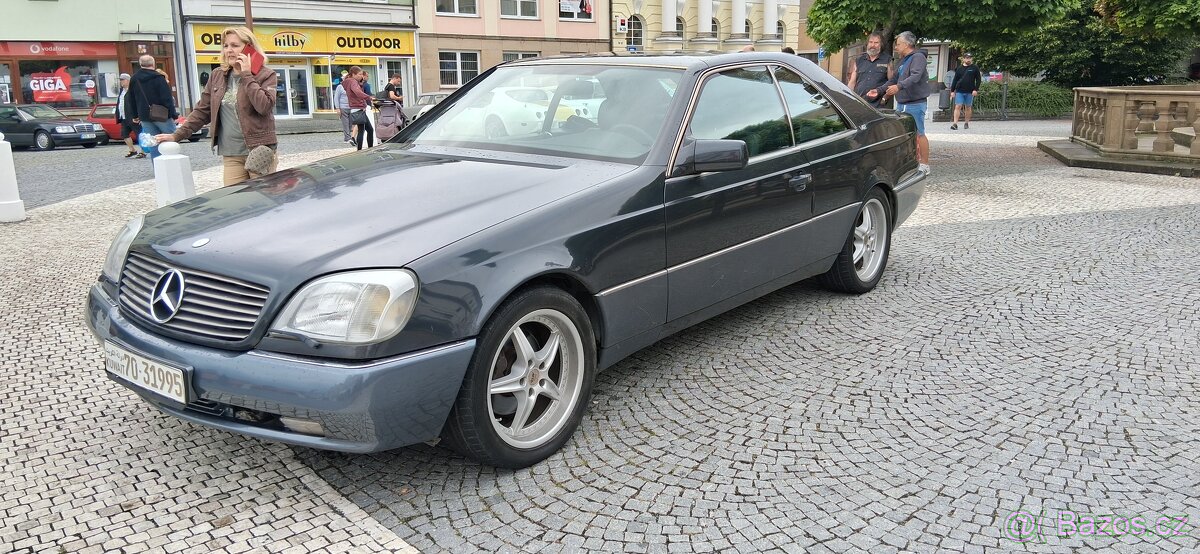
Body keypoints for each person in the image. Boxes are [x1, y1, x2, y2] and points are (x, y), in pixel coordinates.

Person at [155, 25, 279, 185]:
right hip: (231, 152)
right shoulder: (217, 75)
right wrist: (177, 135)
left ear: (250, 49)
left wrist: (247, 75)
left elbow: (264, 106)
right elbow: (202, 111)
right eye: (226, 46)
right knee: (233, 201)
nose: (229, 50)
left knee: (263, 201)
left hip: (259, 150)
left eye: (235, 45)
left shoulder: (266, 74)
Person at [882, 31, 930, 174]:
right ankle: (911, 161)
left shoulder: (918, 57)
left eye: (898, 44)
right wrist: (879, 90)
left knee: (919, 133)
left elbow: (915, 77)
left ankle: (925, 164)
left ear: (906, 44)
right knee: (906, 134)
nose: (896, 47)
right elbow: (893, 79)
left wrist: (899, 87)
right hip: (903, 103)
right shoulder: (903, 60)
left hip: (915, 103)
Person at [125, 54, 178, 160]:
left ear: (140, 64)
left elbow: (131, 98)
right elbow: (166, 98)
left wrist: (135, 115)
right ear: (153, 64)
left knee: (153, 142)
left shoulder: (134, 79)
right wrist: (173, 114)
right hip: (162, 114)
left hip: (144, 116)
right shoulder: (159, 77)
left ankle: (158, 168)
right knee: (172, 138)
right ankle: (173, 163)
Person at [848, 32, 893, 108]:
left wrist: (885, 98)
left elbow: (892, 82)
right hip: (860, 103)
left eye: (876, 43)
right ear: (867, 44)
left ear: (881, 45)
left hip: (879, 105)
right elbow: (852, 82)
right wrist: (848, 97)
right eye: (871, 42)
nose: (873, 45)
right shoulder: (859, 60)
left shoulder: (887, 60)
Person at [343, 66, 374, 150]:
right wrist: (369, 97)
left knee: (364, 129)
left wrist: (360, 83)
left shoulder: (348, 81)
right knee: (366, 130)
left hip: (355, 107)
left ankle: (361, 149)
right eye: (359, 74)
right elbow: (357, 92)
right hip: (358, 108)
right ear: (353, 74)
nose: (361, 76)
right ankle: (364, 149)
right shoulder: (353, 82)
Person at [115, 73, 144, 159]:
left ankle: (143, 151)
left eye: (122, 80)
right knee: (124, 134)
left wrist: (139, 116)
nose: (121, 82)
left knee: (139, 134)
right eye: (120, 80)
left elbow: (139, 103)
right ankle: (132, 150)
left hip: (133, 116)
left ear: (128, 80)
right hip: (123, 116)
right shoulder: (121, 91)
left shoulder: (133, 90)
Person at [949, 52, 982, 130]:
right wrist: (952, 91)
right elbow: (955, 80)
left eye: (970, 58)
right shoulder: (959, 68)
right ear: (963, 59)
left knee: (968, 107)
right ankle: (955, 123)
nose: (968, 59)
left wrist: (975, 89)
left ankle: (966, 122)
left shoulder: (975, 68)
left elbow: (978, 79)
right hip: (960, 90)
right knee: (958, 106)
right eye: (967, 58)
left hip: (970, 91)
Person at [333, 77, 354, 145]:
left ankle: (349, 136)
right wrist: (338, 108)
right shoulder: (340, 87)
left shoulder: (352, 86)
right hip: (343, 107)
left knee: (350, 123)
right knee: (345, 123)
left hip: (351, 107)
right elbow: (336, 97)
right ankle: (347, 138)